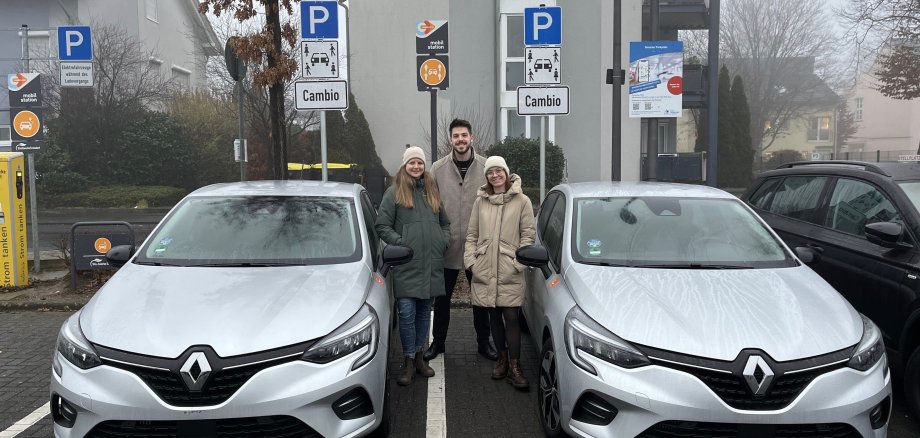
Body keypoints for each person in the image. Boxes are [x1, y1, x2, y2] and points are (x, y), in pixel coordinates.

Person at [375, 146, 451, 386]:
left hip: (431, 264)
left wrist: (442, 241)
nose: (416, 167)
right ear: (405, 165)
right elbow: (382, 225)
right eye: (412, 163)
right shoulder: (394, 192)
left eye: (420, 163)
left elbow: (445, 223)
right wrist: (401, 243)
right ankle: (408, 360)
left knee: (422, 315)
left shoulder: (431, 190)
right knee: (406, 314)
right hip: (407, 264)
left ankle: (420, 357)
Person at [426, 119, 498, 362]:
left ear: (472, 137)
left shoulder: (486, 166)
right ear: (450, 139)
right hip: (447, 247)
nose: (460, 140)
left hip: (477, 248)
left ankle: (483, 343)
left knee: (480, 299)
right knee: (442, 299)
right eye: (456, 136)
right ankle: (438, 343)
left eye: (464, 135)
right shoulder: (437, 168)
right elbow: (430, 205)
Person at [464, 156, 535, 390]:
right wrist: (471, 263)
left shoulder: (522, 201)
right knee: (493, 316)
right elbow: (472, 235)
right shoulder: (480, 202)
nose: (495, 175)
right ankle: (502, 360)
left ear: (506, 172)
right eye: (490, 172)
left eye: (499, 171)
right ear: (487, 176)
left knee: (512, 317)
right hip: (484, 268)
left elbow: (528, 236)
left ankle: (515, 366)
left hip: (509, 269)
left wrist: (518, 263)